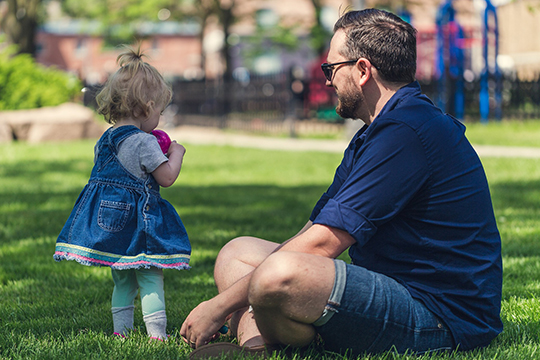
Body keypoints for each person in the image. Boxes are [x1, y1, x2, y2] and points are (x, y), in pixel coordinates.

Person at [181, 8, 503, 358]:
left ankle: (270, 337)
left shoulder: (407, 132)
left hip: (439, 316)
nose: (327, 80)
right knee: (237, 255)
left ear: (363, 70)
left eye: (331, 69)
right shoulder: (377, 132)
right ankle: (258, 347)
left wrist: (217, 308)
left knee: (278, 275)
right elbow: (313, 231)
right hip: (393, 288)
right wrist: (250, 287)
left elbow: (322, 246)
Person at [54, 47, 191, 341]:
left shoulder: (105, 139)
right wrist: (176, 153)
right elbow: (166, 178)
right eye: (160, 111)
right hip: (137, 226)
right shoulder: (144, 142)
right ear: (146, 107)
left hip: (109, 223)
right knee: (151, 275)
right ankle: (157, 335)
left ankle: (122, 333)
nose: (160, 118)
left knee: (123, 280)